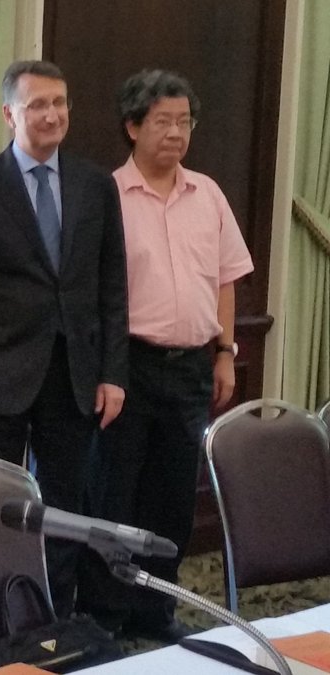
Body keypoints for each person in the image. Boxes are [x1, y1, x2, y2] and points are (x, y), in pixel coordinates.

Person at [0, 60, 129, 617]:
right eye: (37, 105)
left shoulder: (96, 185)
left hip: (73, 375)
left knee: (66, 506)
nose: (51, 115)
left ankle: (56, 619)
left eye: (59, 103)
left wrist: (113, 373)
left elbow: (113, 286)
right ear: (9, 114)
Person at [77, 70, 254, 642]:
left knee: (174, 497)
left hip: (192, 367)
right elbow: (91, 294)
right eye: (163, 122)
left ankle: (157, 610)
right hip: (126, 366)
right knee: (113, 494)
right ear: (133, 127)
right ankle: (104, 614)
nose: (177, 133)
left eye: (185, 122)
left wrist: (225, 352)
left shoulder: (209, 194)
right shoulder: (106, 195)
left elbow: (226, 280)